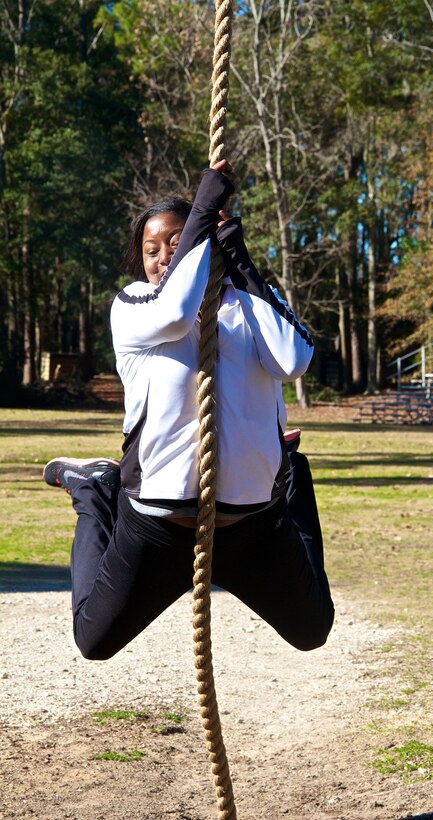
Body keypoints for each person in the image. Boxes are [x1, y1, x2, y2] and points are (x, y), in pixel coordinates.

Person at [43, 160, 334, 661]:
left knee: (312, 628)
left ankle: (292, 471)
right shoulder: (136, 305)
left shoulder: (249, 306)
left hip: (253, 522)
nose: (162, 256)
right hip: (160, 523)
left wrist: (240, 261)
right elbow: (177, 312)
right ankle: (94, 488)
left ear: (207, 241)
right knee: (94, 640)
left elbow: (293, 359)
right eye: (151, 249)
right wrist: (202, 207)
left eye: (177, 240)